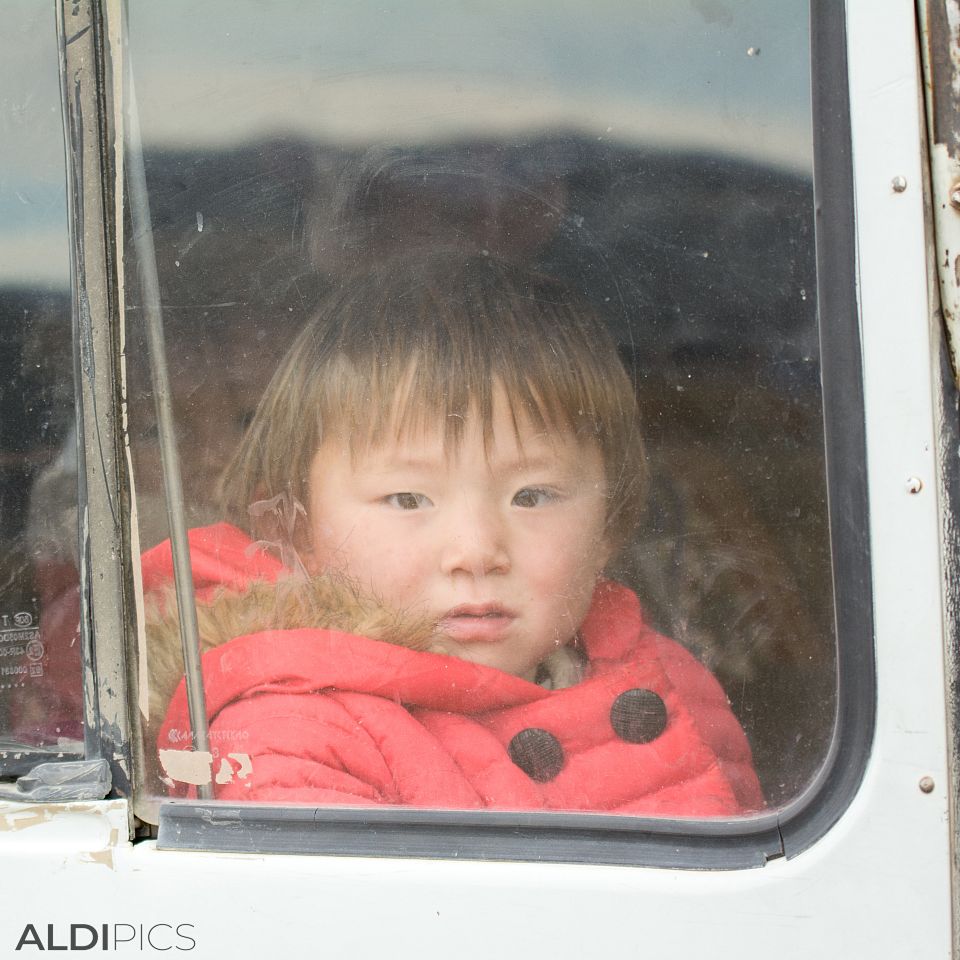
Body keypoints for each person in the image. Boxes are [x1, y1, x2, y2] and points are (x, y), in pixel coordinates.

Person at [146, 255, 763, 815]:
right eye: (408, 499)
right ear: (291, 528)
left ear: (612, 521)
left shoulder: (670, 681)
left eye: (533, 496)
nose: (475, 553)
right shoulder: (289, 728)